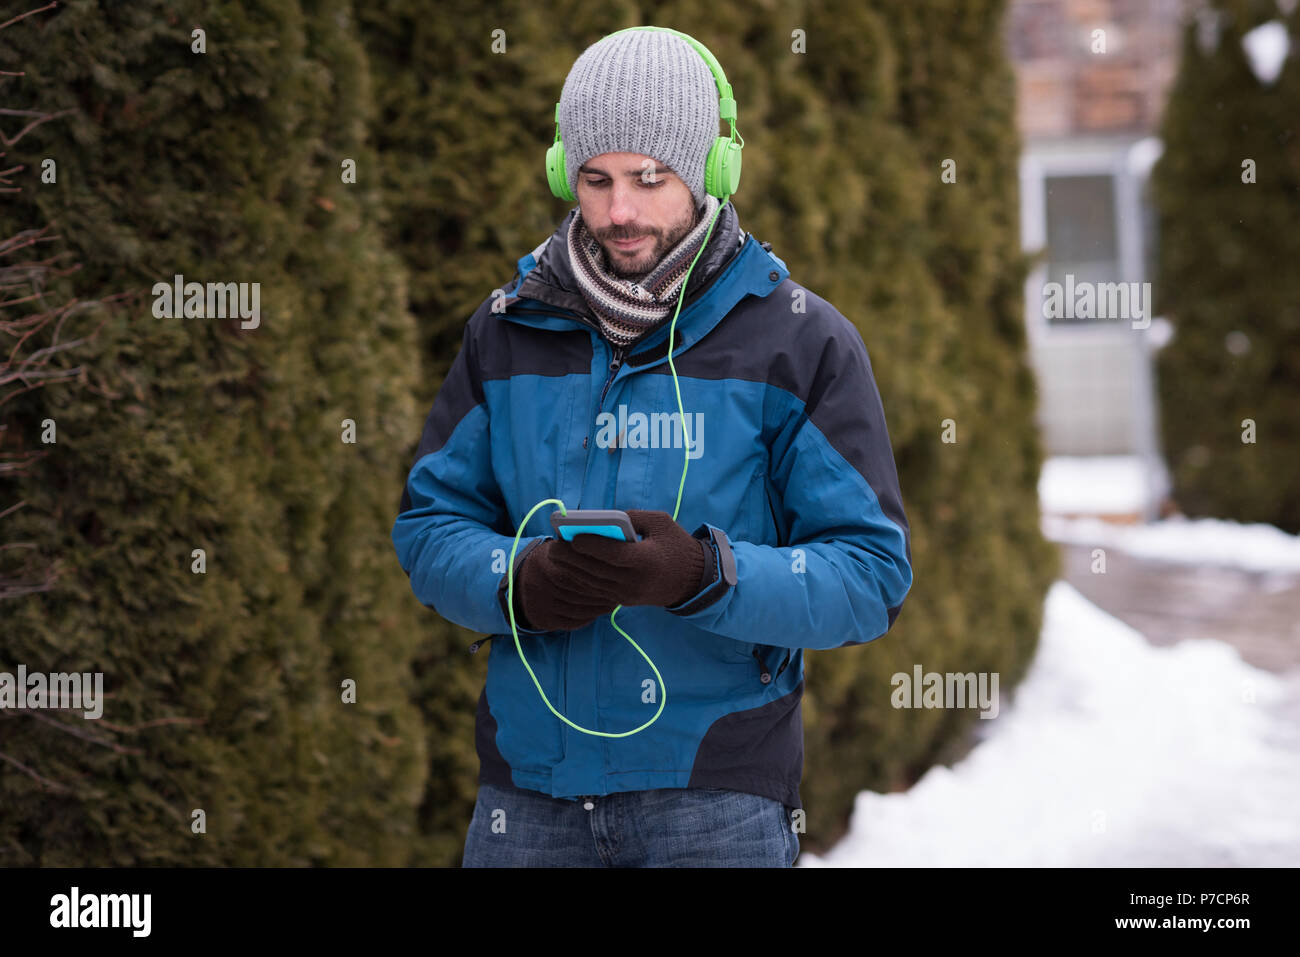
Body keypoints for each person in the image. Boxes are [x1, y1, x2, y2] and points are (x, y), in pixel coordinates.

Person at [391, 26, 913, 867]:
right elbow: (428, 528)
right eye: (595, 180)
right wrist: (518, 580)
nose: (619, 211)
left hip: (715, 806)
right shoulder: (506, 331)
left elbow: (870, 574)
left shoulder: (799, 342)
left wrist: (707, 575)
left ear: (710, 174)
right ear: (566, 174)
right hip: (525, 803)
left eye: (648, 178)